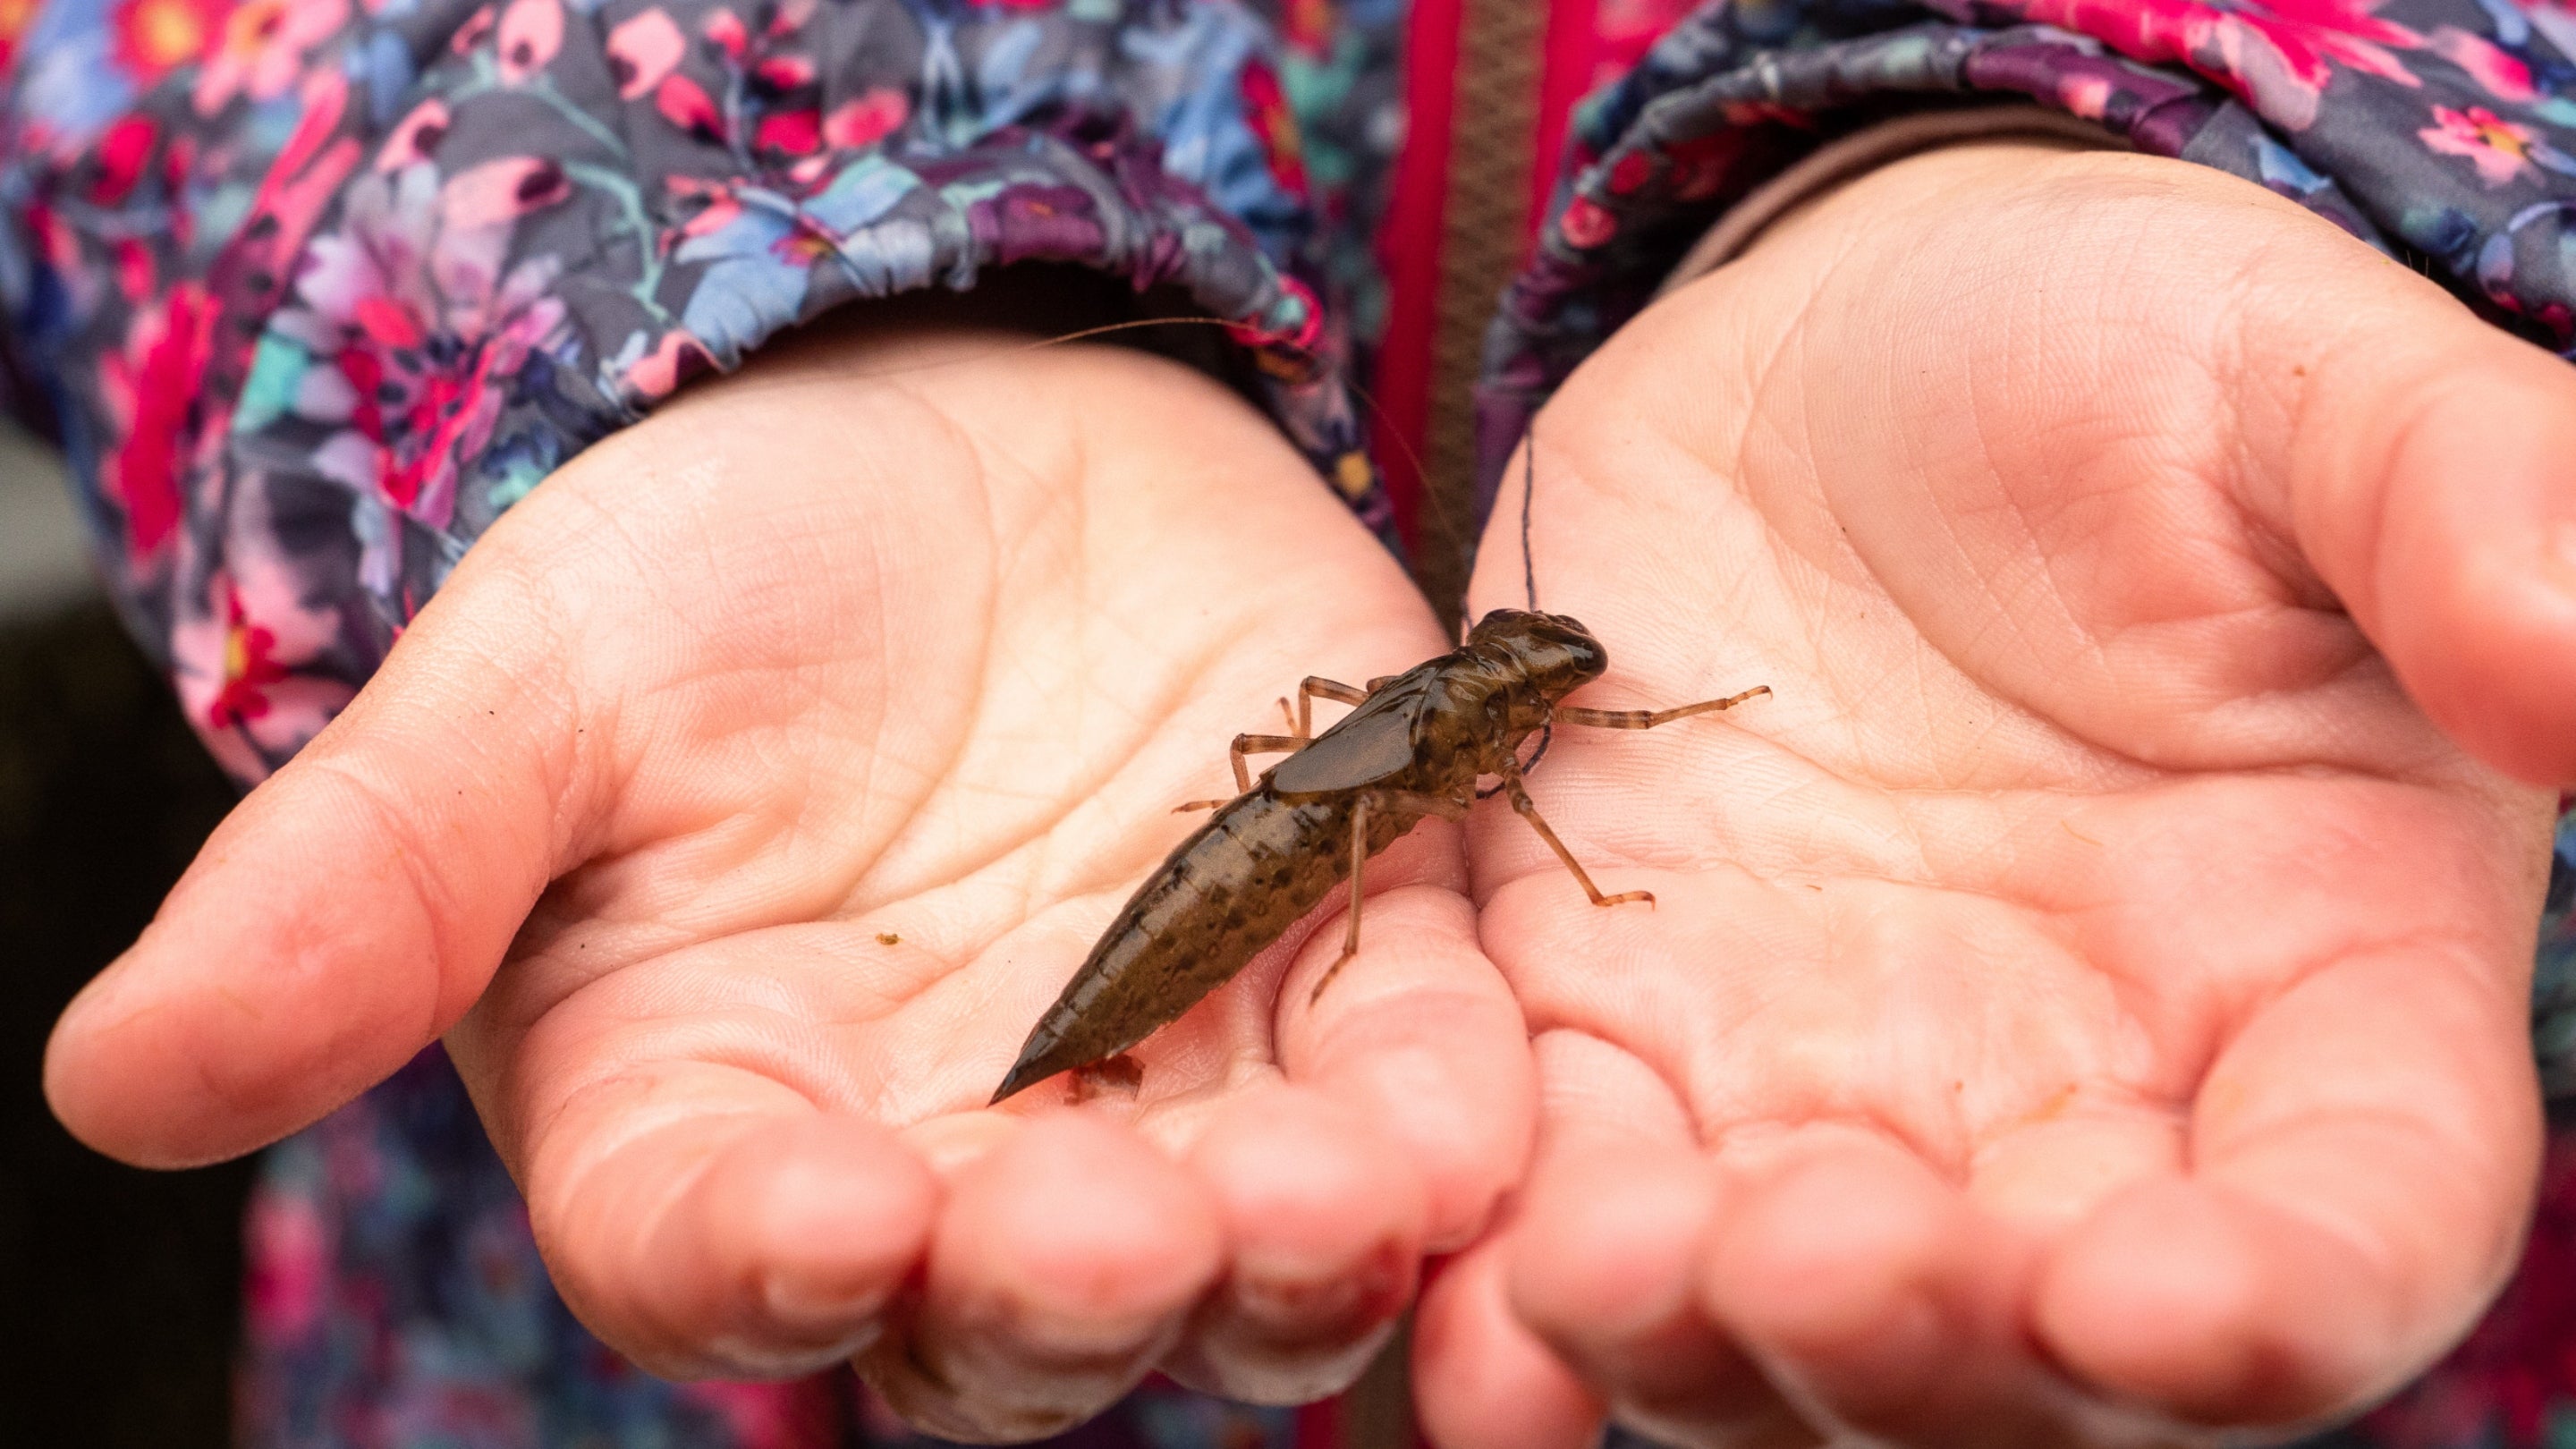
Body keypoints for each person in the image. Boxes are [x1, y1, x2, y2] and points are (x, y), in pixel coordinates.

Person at [24, 0, 2576, 1443]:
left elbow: (1537, 738)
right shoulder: (1449, 756)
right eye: (1539, 694)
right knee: (1237, 916)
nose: (1558, 714)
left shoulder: (1484, 719)